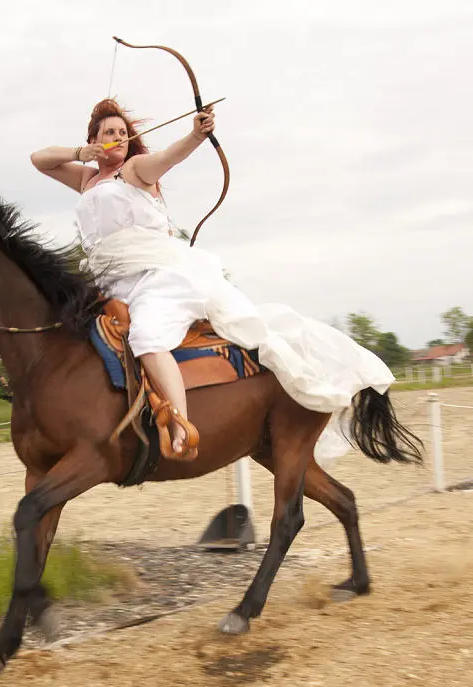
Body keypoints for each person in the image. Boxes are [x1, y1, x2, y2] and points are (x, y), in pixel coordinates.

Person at [30, 99, 395, 463]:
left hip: (155, 277)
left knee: (146, 337)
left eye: (124, 132)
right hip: (109, 284)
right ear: (95, 138)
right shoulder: (87, 178)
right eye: (110, 133)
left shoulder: (135, 169)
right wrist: (82, 152)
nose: (119, 138)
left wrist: (195, 134)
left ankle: (181, 426)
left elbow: (169, 157)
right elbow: (39, 159)